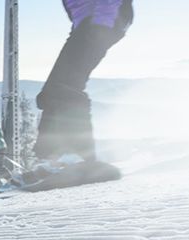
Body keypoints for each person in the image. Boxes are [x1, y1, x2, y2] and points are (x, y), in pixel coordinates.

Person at [34, 0, 133, 164]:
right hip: (85, 24)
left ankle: (80, 157)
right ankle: (48, 157)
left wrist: (101, 23)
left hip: (101, 20)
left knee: (67, 88)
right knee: (50, 93)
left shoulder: (101, 20)